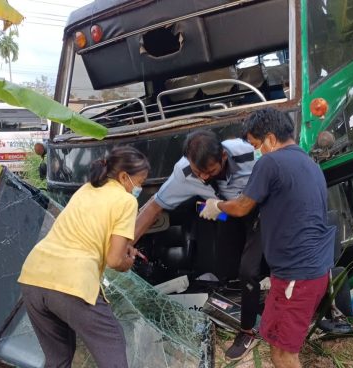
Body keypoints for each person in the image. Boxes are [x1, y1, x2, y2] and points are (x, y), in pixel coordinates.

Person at [199, 107, 335, 368]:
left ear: (271, 139)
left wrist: (216, 206)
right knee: (275, 339)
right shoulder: (310, 163)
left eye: (257, 144)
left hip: (297, 276)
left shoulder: (270, 162)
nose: (258, 150)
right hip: (305, 272)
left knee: (285, 355)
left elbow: (241, 207)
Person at [132, 130, 264, 361]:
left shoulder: (246, 152)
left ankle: (249, 329)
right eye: (198, 173)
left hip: (258, 211)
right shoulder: (183, 173)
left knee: (250, 268)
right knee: (207, 227)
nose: (203, 177)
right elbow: (154, 206)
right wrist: (122, 244)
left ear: (223, 156)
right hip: (224, 213)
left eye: (210, 171)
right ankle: (232, 289)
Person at [18, 146, 150, 368]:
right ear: (124, 177)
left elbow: (90, 234)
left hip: (33, 276)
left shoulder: (86, 189)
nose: (140, 188)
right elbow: (115, 260)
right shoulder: (126, 201)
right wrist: (126, 261)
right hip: (71, 281)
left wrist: (121, 249)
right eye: (140, 182)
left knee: (58, 359)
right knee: (112, 343)